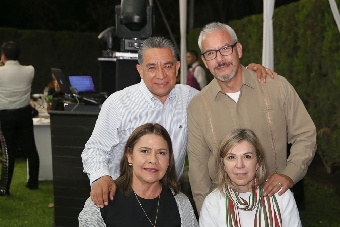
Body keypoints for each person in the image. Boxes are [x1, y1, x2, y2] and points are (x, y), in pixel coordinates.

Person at [83, 35, 276, 208]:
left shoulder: (190, 98)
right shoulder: (118, 103)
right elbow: (95, 148)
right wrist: (100, 177)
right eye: (152, 67)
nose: (161, 75)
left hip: (167, 197)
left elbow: (226, 100)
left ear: (177, 67)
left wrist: (245, 74)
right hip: (122, 197)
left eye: (167, 66)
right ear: (140, 70)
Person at [187, 22, 317, 212]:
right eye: (211, 53)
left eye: (225, 49)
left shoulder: (276, 87)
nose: (219, 59)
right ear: (205, 62)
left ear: (238, 49)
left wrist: (290, 174)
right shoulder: (198, 106)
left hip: (276, 204)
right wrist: (207, 216)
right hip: (226, 212)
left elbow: (305, 134)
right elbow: (198, 169)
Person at [74, 123, 201, 227]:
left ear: (169, 160)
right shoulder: (102, 201)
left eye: (161, 153)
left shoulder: (182, 205)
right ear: (130, 156)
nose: (153, 160)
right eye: (145, 151)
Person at [199, 128, 306, 227]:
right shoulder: (213, 202)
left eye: (247, 156)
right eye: (231, 157)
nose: (239, 165)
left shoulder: (279, 195)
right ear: (223, 164)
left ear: (258, 162)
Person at [0, 41, 40, 195]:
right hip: (24, 113)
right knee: (30, 147)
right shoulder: (30, 70)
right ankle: (33, 182)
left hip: (6, 115)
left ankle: (4, 188)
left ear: (3, 56)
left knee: (8, 151)